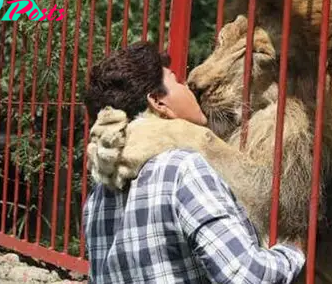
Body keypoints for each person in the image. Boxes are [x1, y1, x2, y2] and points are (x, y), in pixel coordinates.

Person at [82, 41, 305, 283]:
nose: (192, 83)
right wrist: (294, 251)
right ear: (158, 102)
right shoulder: (184, 169)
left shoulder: (97, 198)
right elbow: (246, 276)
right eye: (178, 82)